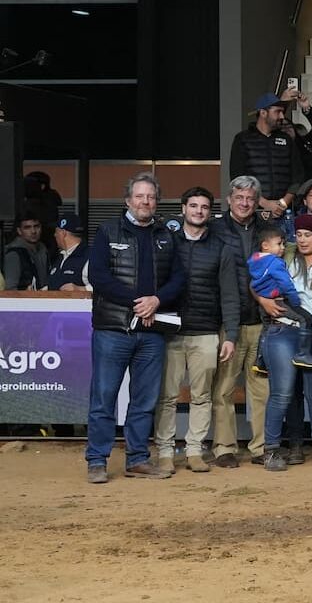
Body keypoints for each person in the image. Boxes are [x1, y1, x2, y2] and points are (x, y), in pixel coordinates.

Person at [84, 173, 186, 483]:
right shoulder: (106, 231)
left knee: (144, 400)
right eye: (139, 196)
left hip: (152, 333)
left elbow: (179, 280)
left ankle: (138, 459)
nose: (145, 202)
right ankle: (97, 461)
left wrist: (156, 300)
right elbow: (99, 277)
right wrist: (137, 303)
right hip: (113, 330)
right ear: (128, 200)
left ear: (157, 201)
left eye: (151, 197)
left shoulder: (167, 236)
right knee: (104, 397)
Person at [153, 187, 240, 475]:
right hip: (169, 331)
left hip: (206, 332)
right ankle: (165, 451)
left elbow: (229, 294)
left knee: (202, 396)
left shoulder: (221, 248)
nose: (198, 211)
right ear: (183, 208)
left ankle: (194, 450)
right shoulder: (165, 243)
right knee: (167, 396)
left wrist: (231, 335)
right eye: (193, 206)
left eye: (204, 207)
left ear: (210, 212)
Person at [258, 214, 312, 471]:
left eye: (308, 235)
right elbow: (255, 278)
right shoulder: (281, 255)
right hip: (283, 331)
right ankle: (271, 451)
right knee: (281, 395)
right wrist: (263, 301)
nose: (302, 240)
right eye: (300, 235)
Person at [210, 176, 269, 468]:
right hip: (227, 322)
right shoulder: (215, 229)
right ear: (229, 199)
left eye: (250, 198)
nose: (245, 203)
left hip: (262, 320)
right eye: (239, 198)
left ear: (257, 201)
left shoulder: (267, 229)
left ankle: (260, 447)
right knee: (223, 388)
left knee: (261, 388)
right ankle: (224, 448)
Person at [247, 224, 312, 370]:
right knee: (306, 318)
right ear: (265, 246)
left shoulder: (255, 260)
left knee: (266, 329)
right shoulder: (275, 262)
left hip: (263, 304)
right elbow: (286, 284)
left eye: (283, 244)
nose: (282, 248)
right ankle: (303, 353)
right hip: (279, 301)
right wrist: (295, 301)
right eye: (279, 244)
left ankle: (260, 361)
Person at [228, 93, 306, 217]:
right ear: (263, 113)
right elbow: (237, 177)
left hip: (285, 211)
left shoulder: (287, 139)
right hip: (251, 210)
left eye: (282, 112)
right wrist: (264, 203)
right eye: (277, 112)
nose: (281, 116)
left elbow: (298, 176)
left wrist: (283, 203)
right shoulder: (242, 139)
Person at [279, 90, 312, 180]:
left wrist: (306, 108)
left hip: (306, 188)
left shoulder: (304, 146)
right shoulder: (272, 147)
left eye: (288, 126)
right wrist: (283, 104)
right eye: (282, 127)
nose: (286, 129)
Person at [45, 213, 90, 291]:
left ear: (63, 233)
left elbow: (104, 286)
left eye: (56, 231)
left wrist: (81, 289)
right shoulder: (60, 257)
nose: (54, 235)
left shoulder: (89, 256)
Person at [3, 212, 48, 291]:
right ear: (19, 231)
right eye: (27, 227)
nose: (33, 231)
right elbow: (10, 289)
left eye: (36, 226)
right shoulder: (14, 254)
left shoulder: (43, 249)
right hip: (24, 300)